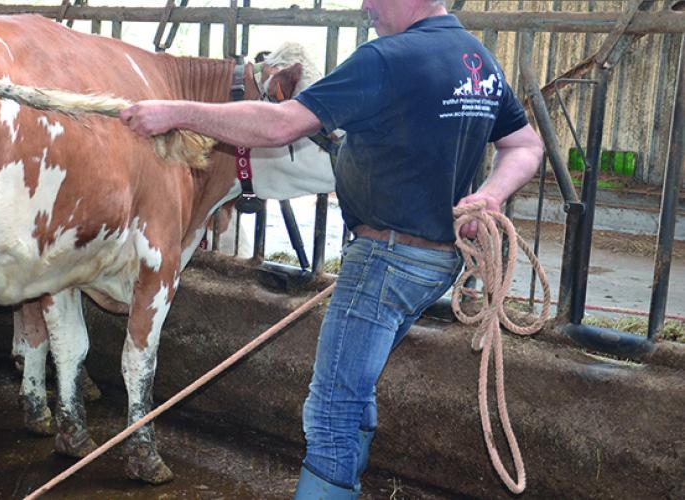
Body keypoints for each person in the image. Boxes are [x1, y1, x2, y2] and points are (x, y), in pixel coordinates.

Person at [120, 0, 544, 497]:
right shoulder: (477, 60)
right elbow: (525, 145)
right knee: (355, 386)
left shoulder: (387, 58)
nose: (365, 5)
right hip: (436, 263)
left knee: (331, 411)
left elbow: (279, 124)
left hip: (385, 258)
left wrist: (174, 111)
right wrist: (490, 195)